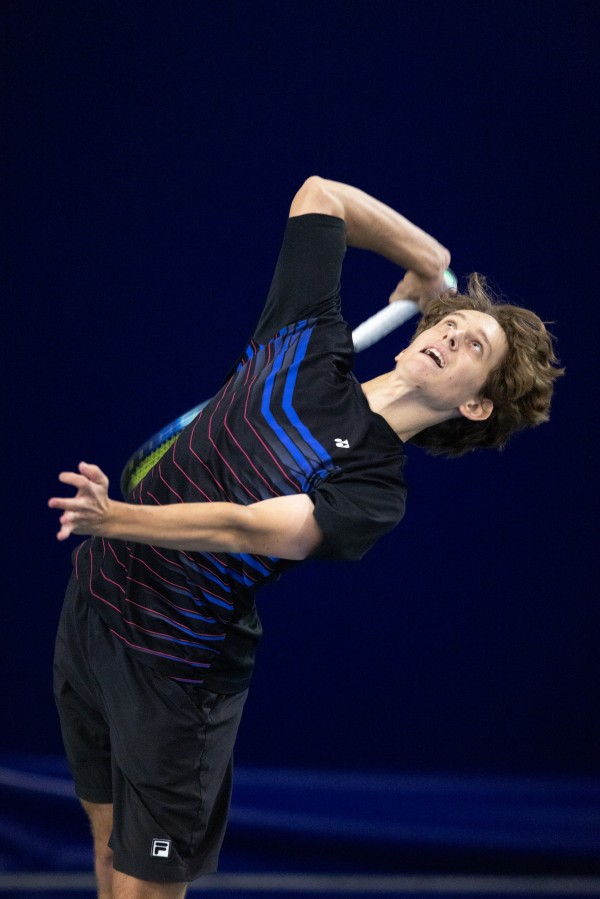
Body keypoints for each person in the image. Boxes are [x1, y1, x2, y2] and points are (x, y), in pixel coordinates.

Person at [49, 176, 562, 898]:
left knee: (143, 888)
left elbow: (244, 527)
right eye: (451, 324)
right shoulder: (308, 334)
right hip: (96, 608)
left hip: (175, 674)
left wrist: (116, 519)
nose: (450, 334)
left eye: (474, 344)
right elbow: (322, 196)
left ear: (476, 405)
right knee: (106, 850)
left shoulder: (375, 490)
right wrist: (428, 260)